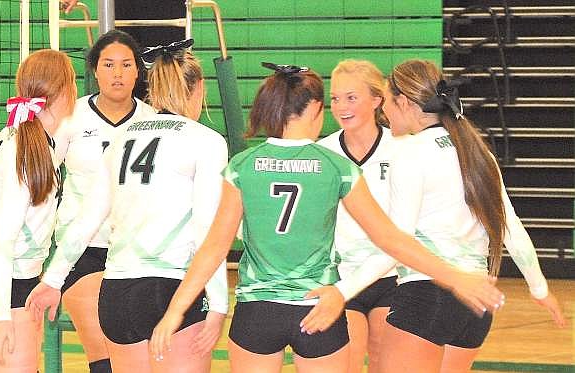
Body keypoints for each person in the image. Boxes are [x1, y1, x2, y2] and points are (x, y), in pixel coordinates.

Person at [148, 62, 505, 373]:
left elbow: (212, 249)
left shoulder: (241, 167)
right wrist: (455, 277)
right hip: (319, 308)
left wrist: (175, 311)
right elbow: (392, 239)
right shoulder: (337, 166)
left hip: (257, 311)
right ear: (316, 108)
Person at [26, 39, 229, 373]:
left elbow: (86, 221)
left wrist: (53, 279)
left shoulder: (121, 139)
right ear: (199, 88)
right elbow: (210, 231)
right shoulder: (205, 141)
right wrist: (219, 303)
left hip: (119, 292)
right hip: (173, 284)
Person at [374, 59, 566, 373]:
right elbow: (511, 230)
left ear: (404, 102)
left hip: (427, 295)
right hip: (476, 306)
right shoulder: (478, 151)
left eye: (386, 102)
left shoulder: (409, 154)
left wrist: (342, 292)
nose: (383, 113)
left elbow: (398, 241)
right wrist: (539, 289)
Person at [51, 29, 157, 373]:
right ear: (94, 70)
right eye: (108, 64)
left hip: (138, 252)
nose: (117, 73)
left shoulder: (154, 122)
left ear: (138, 72)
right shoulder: (70, 119)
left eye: (126, 65)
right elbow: (42, 179)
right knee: (107, 357)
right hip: (84, 253)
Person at [0, 49, 77, 372]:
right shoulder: (22, 154)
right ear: (60, 93)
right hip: (0, 277)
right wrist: (2, 317)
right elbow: (3, 242)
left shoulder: (43, 137)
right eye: (71, 83)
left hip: (26, 277)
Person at [317, 59, 396, 372]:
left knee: (383, 360)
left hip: (393, 275)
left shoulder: (400, 148)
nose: (341, 106)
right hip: (342, 277)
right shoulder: (323, 153)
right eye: (335, 98)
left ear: (377, 100)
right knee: (347, 363)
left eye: (352, 97)